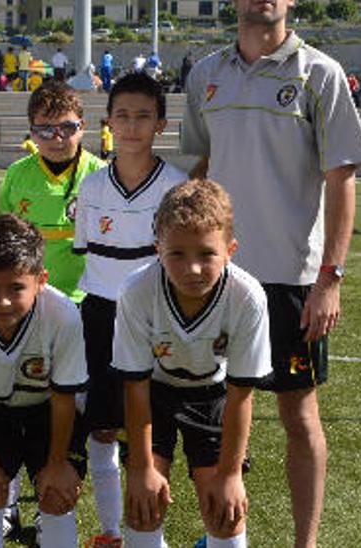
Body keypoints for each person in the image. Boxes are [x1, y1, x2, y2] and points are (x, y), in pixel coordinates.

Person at [182, 0, 361, 544]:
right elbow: (197, 167)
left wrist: (330, 278)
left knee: (299, 416)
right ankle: (225, 537)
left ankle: (304, 544)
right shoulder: (206, 75)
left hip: (292, 281)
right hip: (213, 276)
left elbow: (342, 179)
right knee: (210, 411)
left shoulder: (320, 73)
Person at [114, 179, 272, 548]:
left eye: (206, 253)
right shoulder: (136, 291)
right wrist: (140, 469)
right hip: (154, 395)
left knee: (224, 511)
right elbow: (134, 387)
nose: (194, 268)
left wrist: (231, 474)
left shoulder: (247, 297)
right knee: (143, 506)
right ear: (158, 249)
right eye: (177, 255)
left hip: (214, 396)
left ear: (230, 250)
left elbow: (240, 394)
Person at [71, 71, 188, 548]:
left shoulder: (177, 188)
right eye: (123, 115)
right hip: (99, 315)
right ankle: (110, 531)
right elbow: (89, 258)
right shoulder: (93, 187)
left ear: (161, 123)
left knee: (153, 434)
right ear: (107, 123)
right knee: (101, 427)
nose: (132, 125)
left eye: (144, 116)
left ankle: (149, 536)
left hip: (155, 320)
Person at [0, 213, 88, 548]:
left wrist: (56, 464)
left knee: (56, 493)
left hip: (50, 411)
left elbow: (64, 397)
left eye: (16, 288)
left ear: (41, 280)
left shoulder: (63, 315)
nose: (2, 301)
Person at [0, 80, 107, 305]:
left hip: (87, 297)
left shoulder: (101, 176)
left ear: (82, 127)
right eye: (46, 130)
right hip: (30, 298)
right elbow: (4, 238)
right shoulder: (16, 174)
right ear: (32, 133)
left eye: (67, 128)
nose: (57, 138)